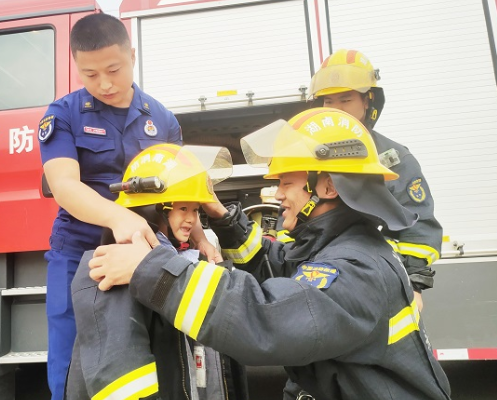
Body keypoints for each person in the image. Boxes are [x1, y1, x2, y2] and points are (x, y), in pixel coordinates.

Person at [85, 108, 452, 400]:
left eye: (286, 183)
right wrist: (220, 215)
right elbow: (273, 268)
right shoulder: (334, 247)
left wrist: (150, 270)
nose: (276, 194)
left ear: (326, 186)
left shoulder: (358, 269)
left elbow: (265, 318)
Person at [37, 13, 220, 400]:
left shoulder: (163, 120)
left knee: (149, 355)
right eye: (89, 74)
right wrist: (116, 215)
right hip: (79, 254)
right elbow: (64, 184)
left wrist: (201, 235)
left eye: (112, 70)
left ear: (132, 56)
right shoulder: (63, 115)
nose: (103, 83)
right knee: (72, 359)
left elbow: (179, 190)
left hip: (147, 253)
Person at [66, 143, 247, 400]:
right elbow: (119, 381)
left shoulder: (171, 261)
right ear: (154, 209)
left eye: (195, 210)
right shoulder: (115, 269)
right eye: (183, 209)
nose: (192, 219)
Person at [308, 49, 442, 312]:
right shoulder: (305, 157)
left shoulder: (393, 158)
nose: (336, 110)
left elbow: (419, 228)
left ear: (368, 101)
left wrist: (412, 284)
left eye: (345, 100)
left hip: (378, 283)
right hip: (314, 283)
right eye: (328, 101)